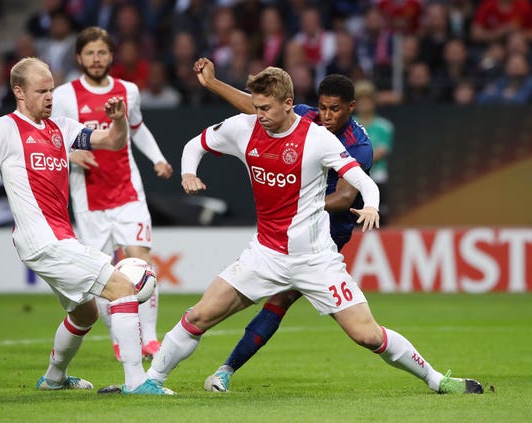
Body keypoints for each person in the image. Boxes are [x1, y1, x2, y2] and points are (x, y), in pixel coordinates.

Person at [143, 66, 483, 396]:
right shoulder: (244, 127)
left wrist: (372, 205)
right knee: (200, 314)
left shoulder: (319, 139)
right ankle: (150, 381)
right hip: (265, 254)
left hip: (317, 258)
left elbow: (360, 182)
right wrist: (188, 171)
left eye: (265, 107)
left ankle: (438, 380)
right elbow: (196, 144)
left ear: (288, 104)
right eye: (256, 106)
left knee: (367, 335)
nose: (258, 114)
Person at [0, 57, 173, 395]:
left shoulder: (62, 127)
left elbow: (113, 142)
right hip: (43, 240)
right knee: (122, 287)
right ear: (18, 92)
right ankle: (137, 382)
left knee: (85, 313)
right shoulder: (5, 128)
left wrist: (118, 121)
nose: (49, 97)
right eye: (41, 91)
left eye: (51, 90)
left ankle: (54, 379)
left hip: (58, 237)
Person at [191, 57, 372, 391]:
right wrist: (213, 83)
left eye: (335, 110)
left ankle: (226, 369)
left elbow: (346, 197)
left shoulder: (359, 146)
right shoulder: (306, 117)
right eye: (322, 108)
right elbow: (255, 106)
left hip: (328, 232)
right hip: (291, 227)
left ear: (351, 108)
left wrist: (296, 206)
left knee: (281, 299)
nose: (327, 116)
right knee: (279, 299)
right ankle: (224, 371)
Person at [52, 27, 173, 362]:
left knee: (141, 263)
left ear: (111, 56)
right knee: (104, 274)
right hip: (89, 199)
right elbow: (49, 136)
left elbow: (137, 128)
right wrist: (70, 154)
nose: (96, 59)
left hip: (128, 192)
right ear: (79, 58)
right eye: (89, 53)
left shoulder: (127, 91)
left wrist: (159, 158)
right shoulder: (64, 96)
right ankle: (120, 339)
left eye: (102, 52)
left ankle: (149, 339)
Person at [354, 79, 394, 224]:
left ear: (373, 101)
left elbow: (381, 151)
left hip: (377, 177)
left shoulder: (384, 126)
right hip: (354, 180)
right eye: (361, 100)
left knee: (378, 216)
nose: (364, 104)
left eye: (367, 100)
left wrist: (358, 161)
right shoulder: (349, 125)